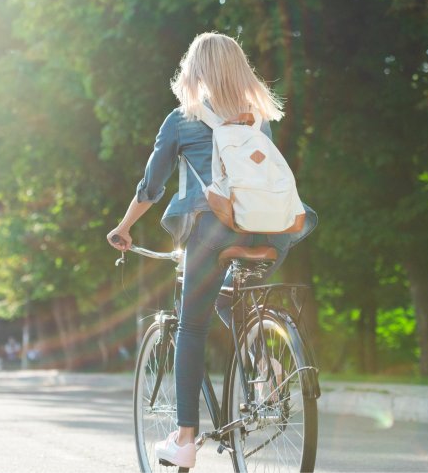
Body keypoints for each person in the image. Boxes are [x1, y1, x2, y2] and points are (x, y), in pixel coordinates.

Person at [107, 32, 317, 469]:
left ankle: (185, 440)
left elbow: (152, 186)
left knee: (191, 326)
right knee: (230, 294)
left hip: (214, 229)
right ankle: (264, 358)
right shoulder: (259, 118)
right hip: (273, 231)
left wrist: (124, 227)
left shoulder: (182, 120)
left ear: (194, 70)